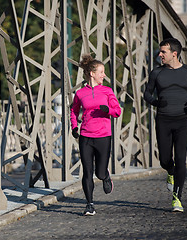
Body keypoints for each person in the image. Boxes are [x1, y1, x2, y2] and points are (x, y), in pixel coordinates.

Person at [144, 38, 187, 212]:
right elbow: (147, 94)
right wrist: (156, 103)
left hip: (183, 121)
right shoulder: (156, 73)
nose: (160, 55)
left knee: (181, 158)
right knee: (165, 160)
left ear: (175, 53)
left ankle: (177, 198)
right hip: (163, 121)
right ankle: (170, 172)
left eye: (163, 52)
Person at [70, 54, 121, 216]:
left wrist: (108, 110)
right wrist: (74, 126)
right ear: (92, 73)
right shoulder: (80, 93)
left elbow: (118, 111)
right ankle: (89, 204)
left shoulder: (107, 91)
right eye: (101, 72)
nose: (104, 75)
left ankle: (105, 176)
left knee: (99, 173)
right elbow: (73, 110)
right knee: (87, 171)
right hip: (85, 136)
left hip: (103, 136)